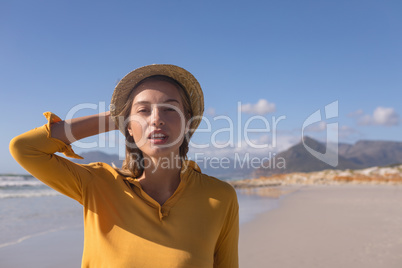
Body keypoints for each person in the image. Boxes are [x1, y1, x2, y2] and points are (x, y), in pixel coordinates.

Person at [10, 64, 239, 267]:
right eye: (144, 110)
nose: (156, 119)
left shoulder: (219, 197)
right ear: (127, 125)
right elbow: (25, 148)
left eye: (170, 109)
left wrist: (137, 114)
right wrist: (118, 116)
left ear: (187, 120)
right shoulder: (98, 185)